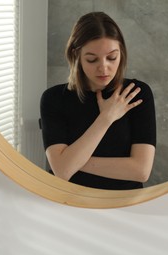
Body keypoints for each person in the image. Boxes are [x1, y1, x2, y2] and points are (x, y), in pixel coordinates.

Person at [40, 12, 156, 190]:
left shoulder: (136, 94)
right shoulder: (54, 99)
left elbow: (141, 171)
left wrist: (72, 161)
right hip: (70, 200)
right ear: (76, 55)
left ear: (121, 54)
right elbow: (62, 173)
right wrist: (106, 118)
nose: (104, 67)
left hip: (124, 201)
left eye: (112, 57)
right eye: (92, 59)